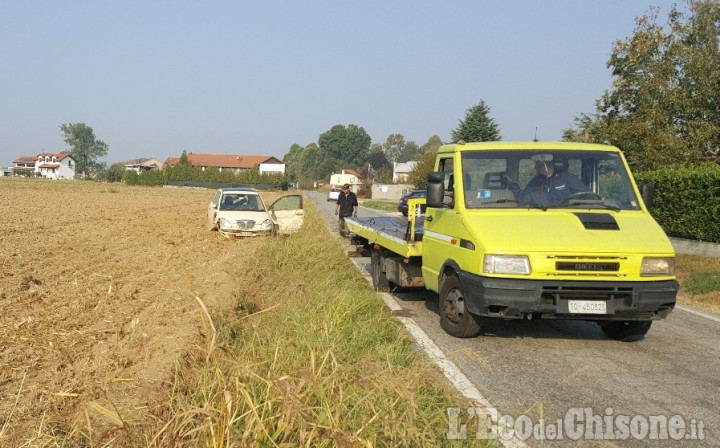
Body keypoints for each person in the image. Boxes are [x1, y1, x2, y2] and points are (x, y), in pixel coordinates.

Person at [507, 158, 588, 207]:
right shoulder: (535, 182)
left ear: (545, 165)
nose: (535, 167)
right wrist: (512, 184)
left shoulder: (568, 178)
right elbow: (523, 200)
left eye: (538, 164)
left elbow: (586, 195)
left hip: (565, 215)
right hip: (540, 216)